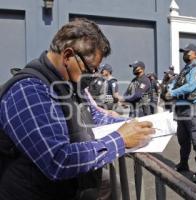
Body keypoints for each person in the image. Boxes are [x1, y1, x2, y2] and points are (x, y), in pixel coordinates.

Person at [0, 18, 154, 200]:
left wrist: (134, 125)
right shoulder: (28, 91)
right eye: (89, 69)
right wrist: (120, 140)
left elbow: (94, 116)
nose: (93, 76)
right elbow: (57, 160)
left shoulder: (69, 84)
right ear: (67, 56)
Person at [169, 43, 196, 183]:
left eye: (188, 52)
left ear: (195, 54)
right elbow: (175, 85)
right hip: (181, 108)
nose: (185, 54)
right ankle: (184, 163)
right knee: (183, 139)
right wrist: (168, 87)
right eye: (183, 52)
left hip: (194, 108)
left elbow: (191, 86)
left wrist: (171, 92)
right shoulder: (185, 70)